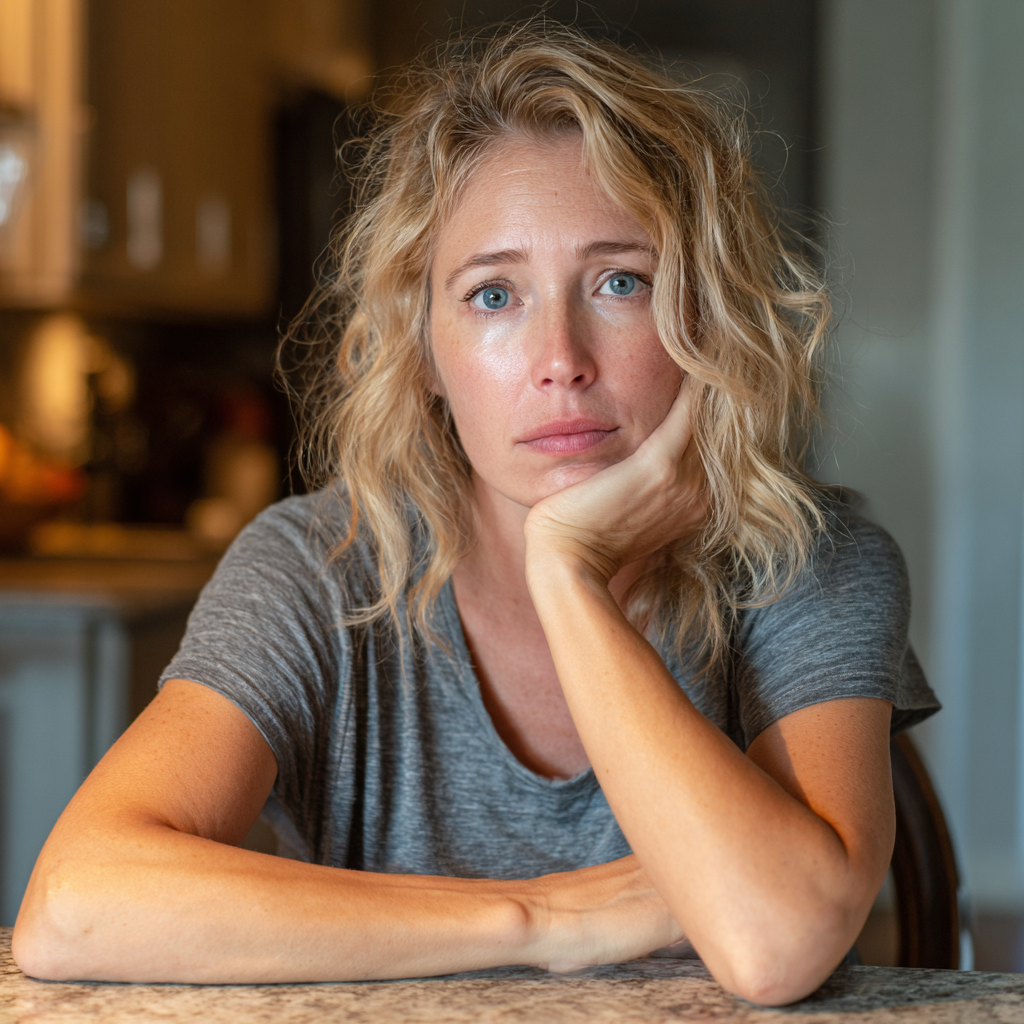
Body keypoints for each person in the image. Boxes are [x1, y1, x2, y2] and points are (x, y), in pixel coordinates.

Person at [13, 24, 938, 1005]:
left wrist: (566, 577)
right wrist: (550, 918)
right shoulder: (323, 562)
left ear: (706, 317)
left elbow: (778, 941)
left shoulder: (810, 561)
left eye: (621, 282)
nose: (560, 356)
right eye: (493, 293)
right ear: (425, 355)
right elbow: (74, 905)